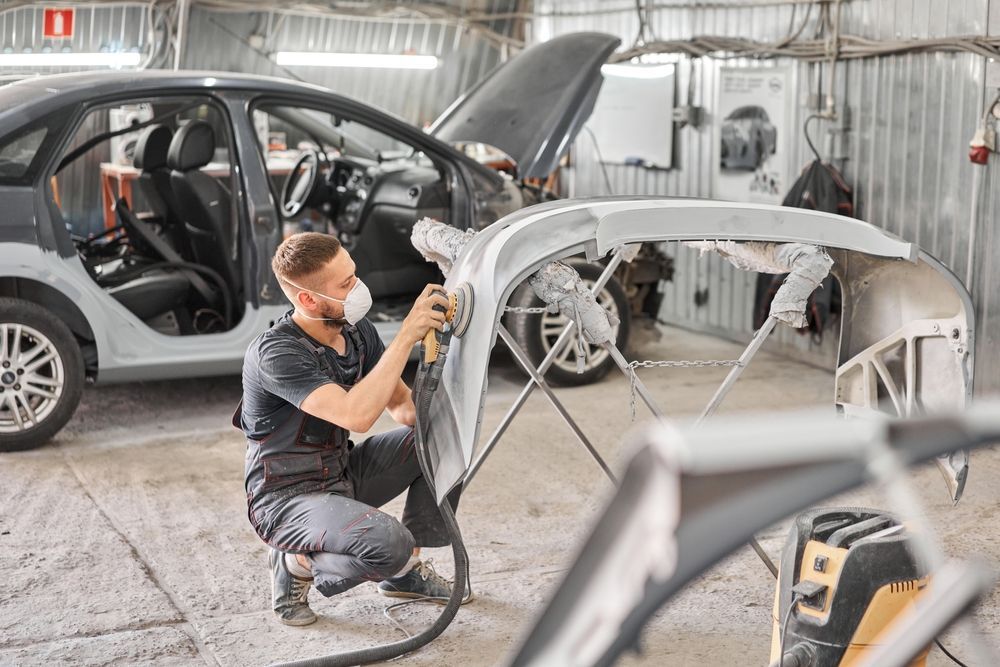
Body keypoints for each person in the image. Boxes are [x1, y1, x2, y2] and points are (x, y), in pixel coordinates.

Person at [234, 232, 462, 626]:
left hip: (341, 474)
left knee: (443, 436)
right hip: (286, 500)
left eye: (354, 275)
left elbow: (406, 412)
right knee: (389, 544)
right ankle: (297, 563)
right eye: (345, 285)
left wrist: (448, 355)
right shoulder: (276, 353)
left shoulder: (357, 333)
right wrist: (406, 335)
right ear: (308, 299)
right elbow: (356, 415)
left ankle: (405, 574)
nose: (358, 289)